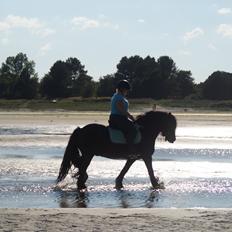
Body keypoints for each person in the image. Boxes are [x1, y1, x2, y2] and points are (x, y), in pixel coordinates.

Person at [109, 80, 137, 149]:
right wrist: (131, 117)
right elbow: (121, 110)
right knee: (132, 130)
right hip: (118, 118)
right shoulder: (118, 97)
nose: (127, 92)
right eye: (126, 90)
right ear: (122, 89)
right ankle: (130, 149)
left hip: (120, 118)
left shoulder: (119, 96)